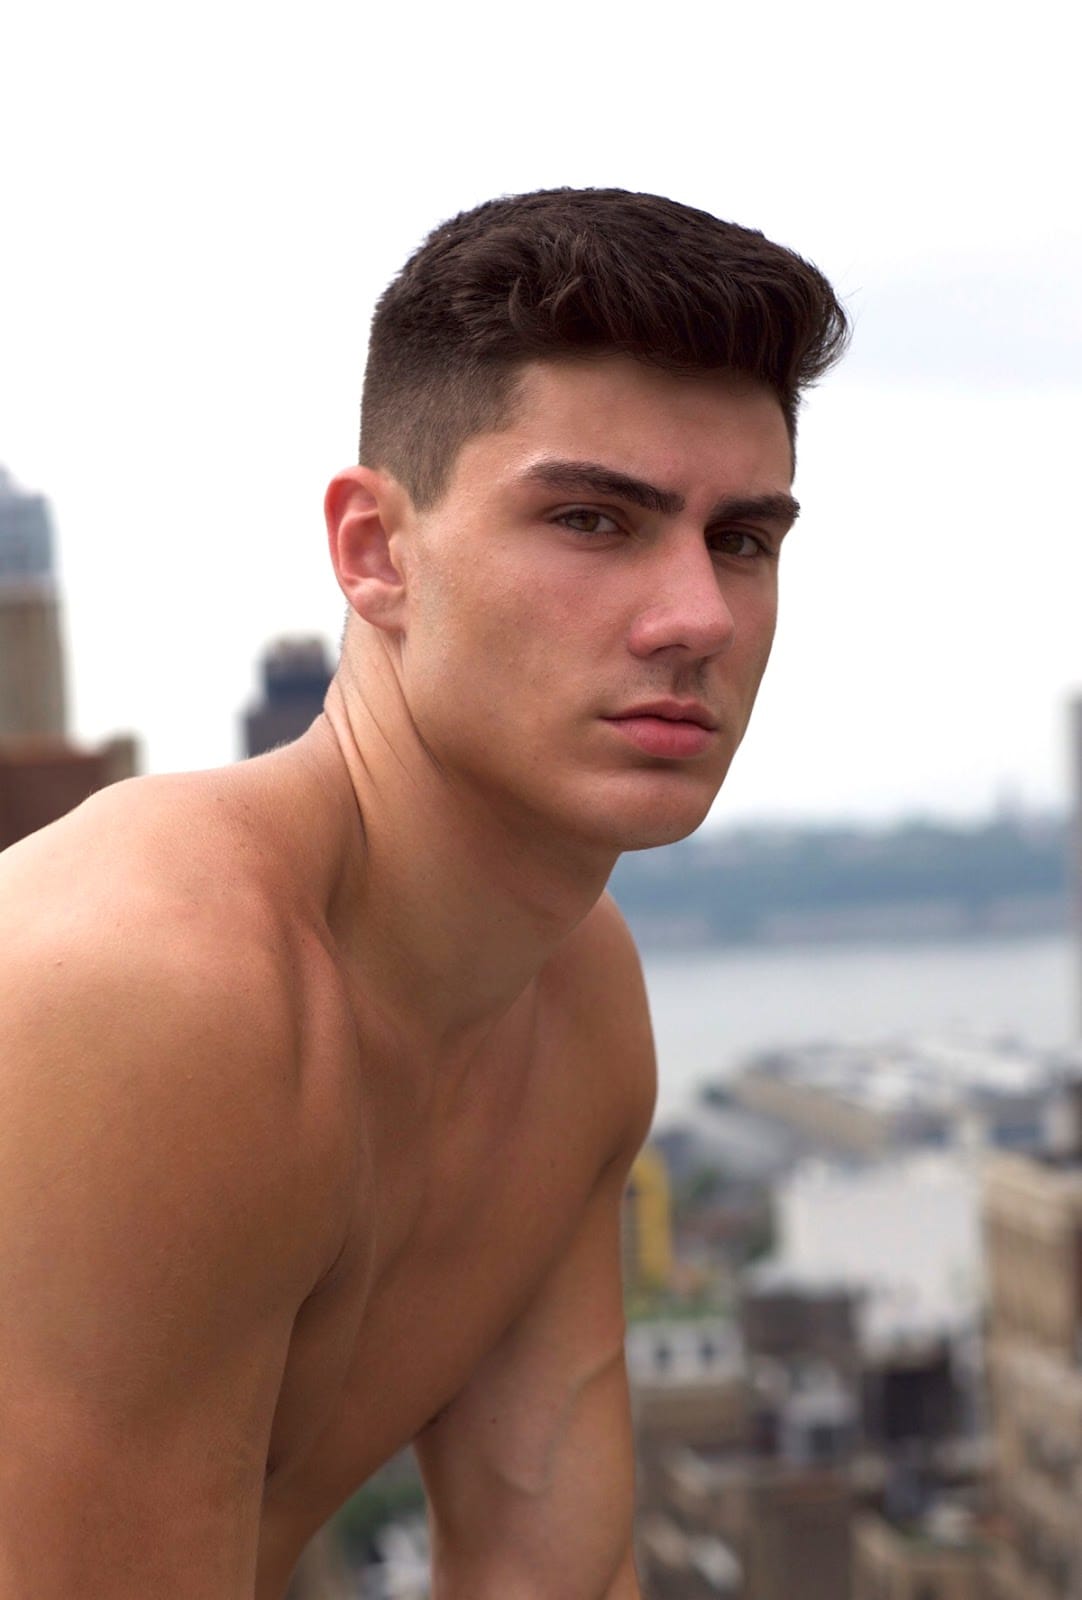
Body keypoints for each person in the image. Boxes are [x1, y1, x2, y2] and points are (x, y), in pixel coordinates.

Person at [0, 188, 848, 1598]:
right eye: (592, 519)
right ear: (375, 552)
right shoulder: (158, 982)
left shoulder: (570, 994)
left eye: (742, 540)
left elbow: (546, 1570)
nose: (697, 616)